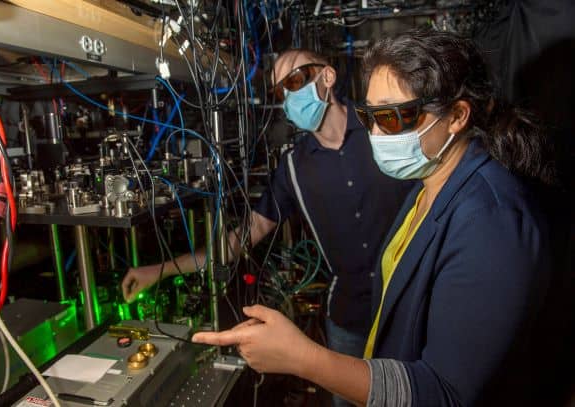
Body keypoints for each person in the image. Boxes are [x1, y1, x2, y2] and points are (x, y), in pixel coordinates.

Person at [192, 28, 556, 407]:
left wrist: (303, 359)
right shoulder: (425, 184)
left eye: (395, 117)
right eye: (371, 117)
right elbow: (251, 229)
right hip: (359, 324)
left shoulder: (490, 221)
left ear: (457, 116)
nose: (379, 134)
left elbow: (443, 393)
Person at [122, 49, 411, 405]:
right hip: (348, 320)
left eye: (295, 81)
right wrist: (159, 270)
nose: (289, 97)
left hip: (410, 308)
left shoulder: (383, 129)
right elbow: (242, 237)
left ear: (328, 77)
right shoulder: (293, 167)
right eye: (280, 91)